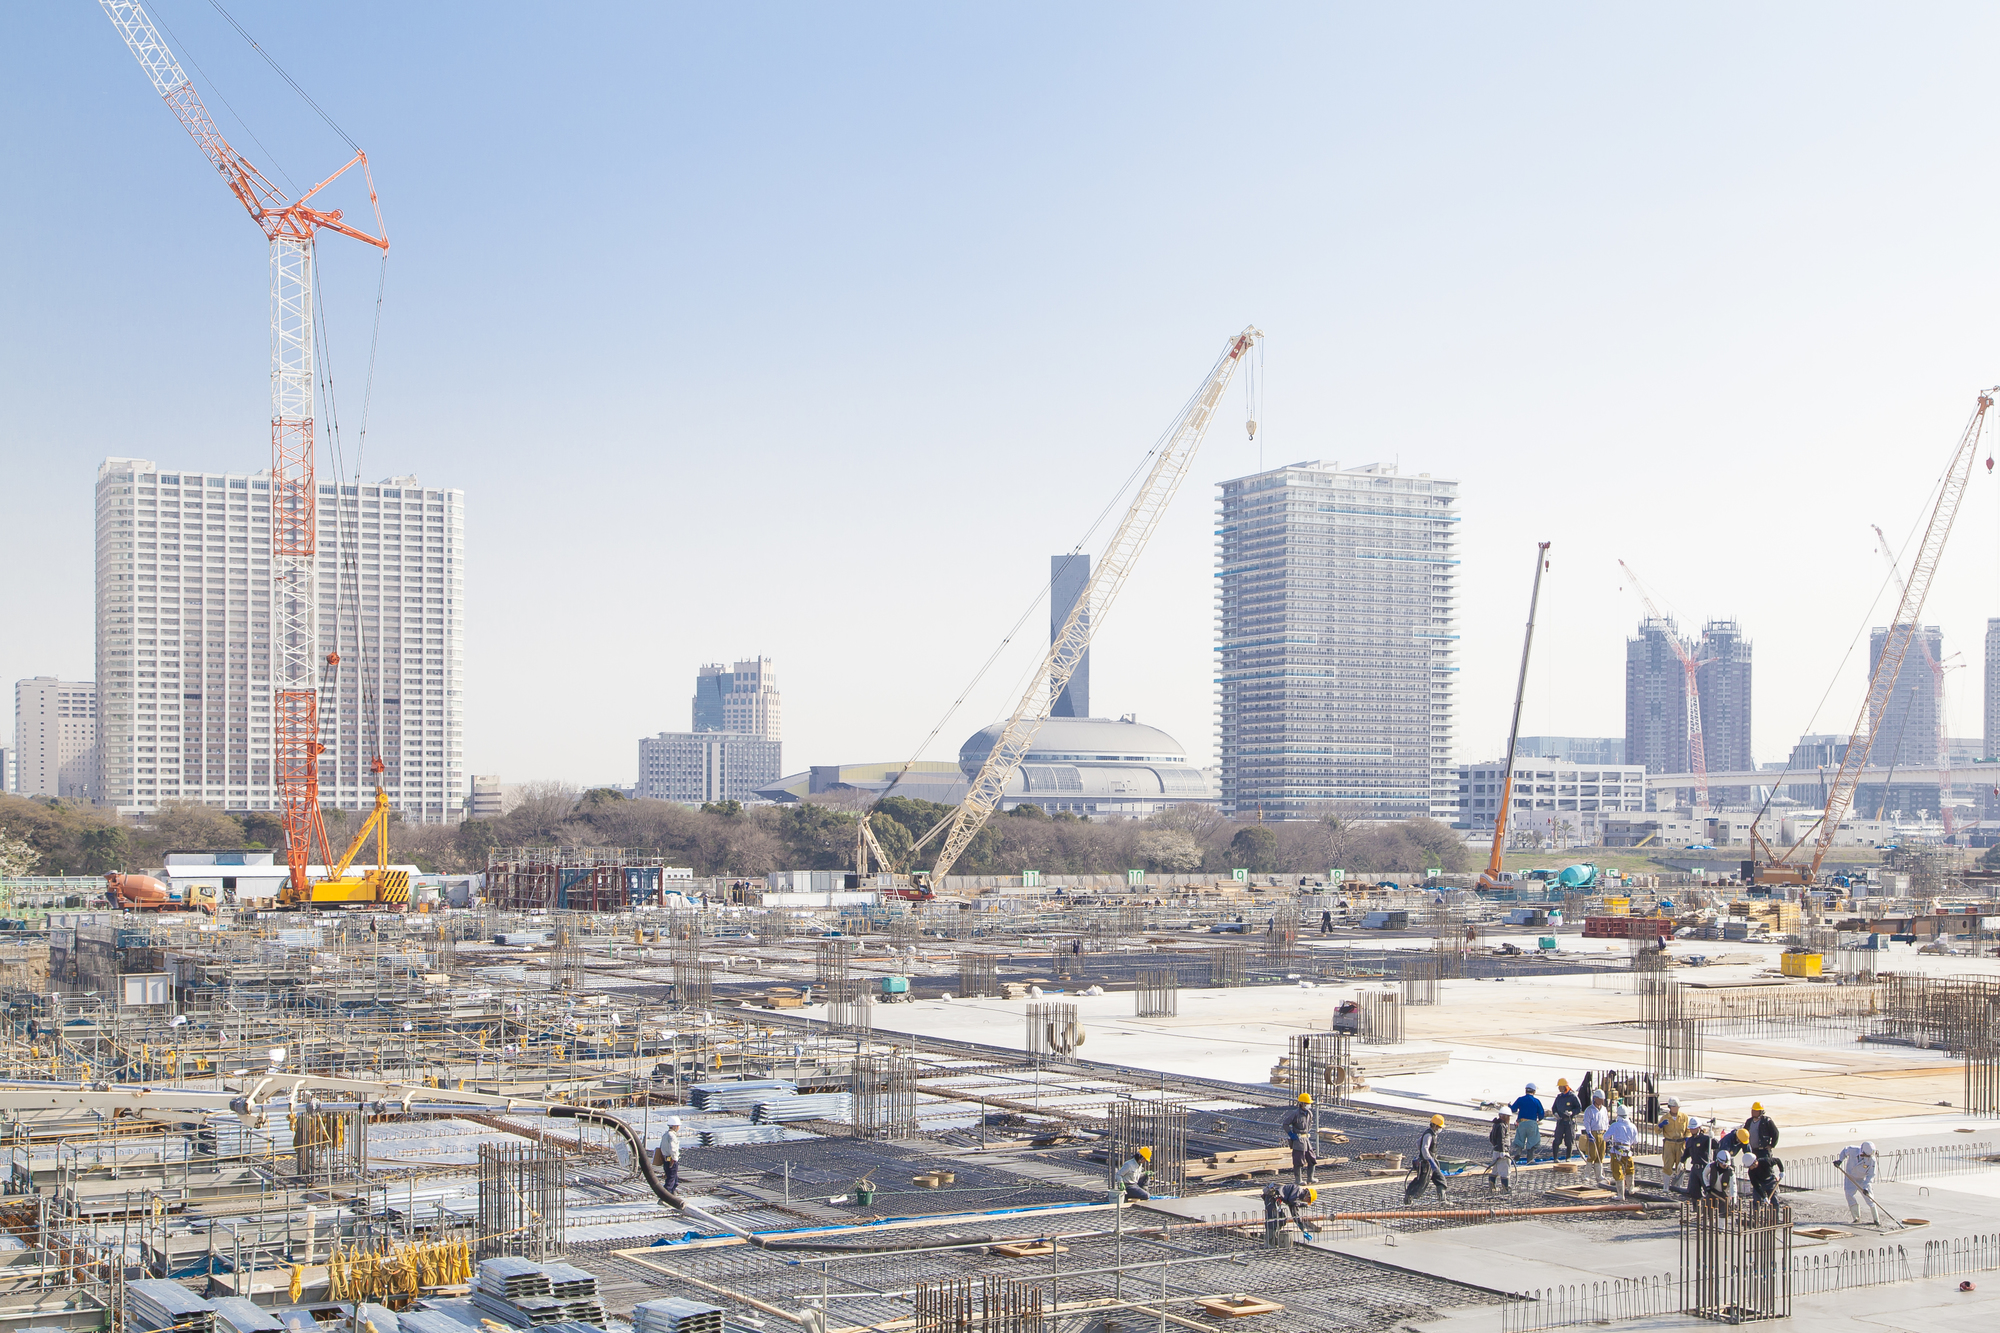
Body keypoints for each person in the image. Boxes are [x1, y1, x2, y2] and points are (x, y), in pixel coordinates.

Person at [1834, 1141, 1879, 1224]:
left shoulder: (1872, 1160)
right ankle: (1856, 1217)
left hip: (1862, 1180)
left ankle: (1876, 1220)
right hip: (1850, 1177)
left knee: (1869, 1198)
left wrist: (1865, 1187)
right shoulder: (1852, 1150)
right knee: (1849, 1194)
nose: (1867, 1157)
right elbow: (1844, 1151)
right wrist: (1840, 1160)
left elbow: (1871, 1175)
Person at [1408, 1114, 1449, 1203]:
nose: (1440, 1129)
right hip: (1427, 1164)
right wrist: (1428, 1159)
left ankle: (1443, 1200)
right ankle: (1409, 1197)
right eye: (1439, 1127)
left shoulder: (1431, 1133)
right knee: (1421, 1183)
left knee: (1440, 1180)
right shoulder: (1429, 1135)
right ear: (1434, 1126)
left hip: (1430, 1163)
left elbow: (1418, 1142)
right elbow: (1424, 1148)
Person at [1281, 1094, 1319, 1185]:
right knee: (1299, 1160)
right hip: (1298, 1140)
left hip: (1306, 1140)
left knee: (1312, 1159)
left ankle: (1310, 1177)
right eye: (1307, 1103)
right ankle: (1298, 1180)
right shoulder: (1296, 1114)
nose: (1309, 1105)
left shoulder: (1309, 1113)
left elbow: (1310, 1124)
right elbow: (1285, 1124)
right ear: (1301, 1104)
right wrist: (1291, 1134)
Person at [1656, 1097, 1691, 1190]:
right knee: (1667, 1165)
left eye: (1677, 1107)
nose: (1676, 1109)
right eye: (1674, 1107)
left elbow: (1688, 1130)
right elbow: (1657, 1131)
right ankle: (1666, 1187)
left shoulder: (1684, 1117)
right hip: (1669, 1144)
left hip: (1680, 1144)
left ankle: (1679, 1187)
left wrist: (1687, 1138)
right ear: (1670, 1107)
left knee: (1680, 1166)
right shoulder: (1664, 1118)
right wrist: (1660, 1125)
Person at [1605, 1105, 1639, 1199]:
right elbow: (1636, 1141)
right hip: (1627, 1152)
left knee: (1617, 1171)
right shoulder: (1632, 1126)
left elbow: (1605, 1137)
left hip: (1616, 1152)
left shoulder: (1615, 1125)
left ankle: (1621, 1194)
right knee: (1630, 1169)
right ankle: (1631, 1189)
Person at [1579, 1089, 1610, 1185]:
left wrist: (1607, 1133)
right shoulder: (1589, 1110)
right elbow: (1587, 1122)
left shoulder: (1604, 1110)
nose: (1601, 1101)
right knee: (1592, 1154)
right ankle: (1587, 1175)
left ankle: (1599, 1175)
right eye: (1600, 1099)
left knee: (1600, 1155)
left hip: (1602, 1133)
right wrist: (1589, 1133)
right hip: (1594, 1133)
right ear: (1595, 1099)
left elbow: (1606, 1122)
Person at [1509, 1083, 1546, 1162]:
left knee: (1519, 1140)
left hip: (1521, 1123)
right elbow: (1541, 1115)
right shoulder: (1536, 1101)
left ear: (1526, 1090)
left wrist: (1509, 1106)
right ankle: (1530, 1158)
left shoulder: (1520, 1099)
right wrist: (1539, 1119)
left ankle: (1517, 1156)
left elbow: (1513, 1109)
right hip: (1532, 1124)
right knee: (1533, 1141)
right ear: (1534, 1091)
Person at [1681, 1119, 1715, 1202]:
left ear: (1699, 1128)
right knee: (1693, 1190)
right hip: (1695, 1168)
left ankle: (1708, 1208)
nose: (1692, 1130)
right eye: (1691, 1129)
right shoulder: (1690, 1140)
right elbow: (1687, 1153)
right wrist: (1681, 1161)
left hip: (1704, 1168)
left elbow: (1716, 1145)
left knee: (1708, 1189)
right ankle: (1696, 1208)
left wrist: (1712, 1139)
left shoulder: (1705, 1139)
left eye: (1694, 1128)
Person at [1550, 1079, 1582, 1162]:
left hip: (1569, 1122)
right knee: (1557, 1140)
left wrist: (1572, 1113)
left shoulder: (1572, 1097)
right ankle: (1555, 1158)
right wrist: (1555, 1113)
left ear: (1565, 1087)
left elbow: (1579, 1108)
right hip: (1560, 1121)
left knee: (1569, 1140)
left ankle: (1568, 1157)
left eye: (1560, 1087)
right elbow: (1554, 1108)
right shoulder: (1559, 1097)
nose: (1559, 1089)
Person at [1487, 1111, 1514, 1193]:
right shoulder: (1502, 1126)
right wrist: (1502, 1151)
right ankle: (1506, 1188)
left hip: (1496, 1150)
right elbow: (1501, 1139)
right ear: (1505, 1117)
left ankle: (1492, 1186)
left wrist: (1496, 1147)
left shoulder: (1496, 1124)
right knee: (1505, 1169)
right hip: (1502, 1151)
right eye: (1508, 1117)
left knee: (1495, 1169)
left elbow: (1491, 1138)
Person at [655, 1117, 683, 1193]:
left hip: (666, 1159)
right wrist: (674, 1160)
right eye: (678, 1126)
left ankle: (672, 1195)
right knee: (670, 1180)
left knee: (675, 1180)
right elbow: (673, 1149)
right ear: (674, 1126)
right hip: (671, 1160)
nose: (679, 1128)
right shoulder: (672, 1136)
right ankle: (664, 1197)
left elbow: (662, 1147)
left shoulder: (665, 1135)